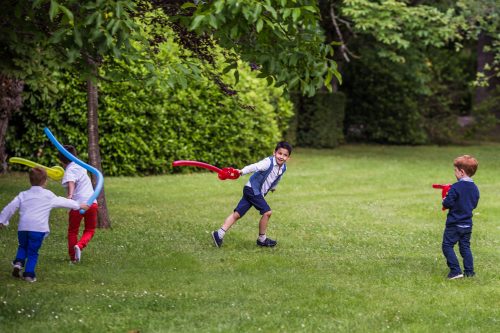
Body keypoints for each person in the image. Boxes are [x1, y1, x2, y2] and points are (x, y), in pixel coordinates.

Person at [0, 167, 88, 282]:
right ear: (45, 181)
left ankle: (18, 262)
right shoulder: (48, 195)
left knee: (22, 246)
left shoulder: (23, 194)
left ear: (30, 180)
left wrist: (1, 220)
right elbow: (63, 201)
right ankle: (29, 274)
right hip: (38, 229)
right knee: (33, 252)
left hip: (23, 228)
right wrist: (79, 205)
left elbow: (10, 207)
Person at [212, 142, 292, 248]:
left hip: (251, 190)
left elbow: (277, 177)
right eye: (279, 153)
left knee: (238, 213)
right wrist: (241, 171)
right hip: (253, 189)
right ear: (274, 153)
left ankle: (219, 234)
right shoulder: (268, 162)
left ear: (288, 157)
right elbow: (254, 166)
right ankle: (262, 239)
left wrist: (273, 187)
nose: (281, 157)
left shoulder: (283, 168)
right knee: (267, 212)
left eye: (285, 155)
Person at [441, 155, 480, 280]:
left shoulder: (456, 187)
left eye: (455, 170)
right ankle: (469, 272)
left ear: (462, 172)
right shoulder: (475, 188)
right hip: (467, 224)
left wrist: (444, 199)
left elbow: (447, 203)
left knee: (447, 245)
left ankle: (455, 271)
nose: (455, 173)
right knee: (465, 247)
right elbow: (473, 204)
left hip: (454, 224)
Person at [58, 145, 98, 263]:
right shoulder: (81, 166)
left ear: (61, 160)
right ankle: (79, 246)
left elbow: (71, 181)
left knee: (72, 231)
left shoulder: (69, 169)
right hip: (91, 203)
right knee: (90, 229)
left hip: (77, 204)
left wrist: (70, 196)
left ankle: (73, 257)